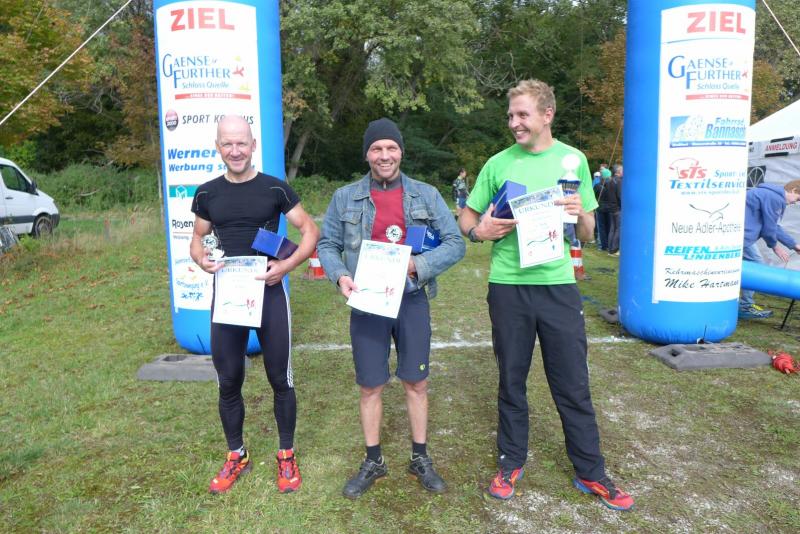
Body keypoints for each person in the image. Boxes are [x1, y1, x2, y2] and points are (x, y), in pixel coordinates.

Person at [458, 79, 634, 511]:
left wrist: (580, 216)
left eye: (522, 115)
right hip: (508, 286)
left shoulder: (573, 160)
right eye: (510, 116)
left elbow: (587, 233)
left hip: (557, 286)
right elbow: (467, 218)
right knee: (511, 379)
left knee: (572, 382)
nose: (514, 123)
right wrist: (479, 231)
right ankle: (510, 462)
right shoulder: (498, 163)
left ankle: (591, 471)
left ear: (547, 115)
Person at [317, 117, 465, 499]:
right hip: (367, 302)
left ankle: (420, 457)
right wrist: (339, 276)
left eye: (391, 148)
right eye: (376, 148)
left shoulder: (426, 195)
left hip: (411, 299)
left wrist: (419, 264)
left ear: (401, 152)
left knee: (416, 382)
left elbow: (455, 242)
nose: (384, 155)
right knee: (370, 385)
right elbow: (327, 244)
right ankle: (374, 461)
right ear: (367, 154)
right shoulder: (345, 197)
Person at [190, 115, 320, 494]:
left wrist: (286, 266)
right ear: (218, 147)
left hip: (269, 292)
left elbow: (310, 231)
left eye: (242, 143)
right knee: (229, 379)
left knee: (280, 378)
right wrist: (201, 260)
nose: (235, 151)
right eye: (228, 144)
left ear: (253, 145)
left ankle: (286, 454)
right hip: (228, 296)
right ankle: (237, 454)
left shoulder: (275, 188)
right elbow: (197, 240)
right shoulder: (206, 193)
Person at [739, 180, 800, 319]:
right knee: (756, 265)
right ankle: (745, 306)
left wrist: (793, 244)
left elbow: (773, 226)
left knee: (754, 264)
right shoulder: (775, 199)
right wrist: (775, 247)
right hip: (742, 237)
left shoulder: (768, 194)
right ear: (794, 190)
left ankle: (743, 304)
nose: (795, 203)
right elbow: (769, 229)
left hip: (742, 236)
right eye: (797, 199)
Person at [598, 166, 620, 256]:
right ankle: (610, 246)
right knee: (611, 227)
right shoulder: (613, 183)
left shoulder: (599, 185)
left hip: (602, 208)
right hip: (610, 208)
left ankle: (605, 245)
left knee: (604, 228)